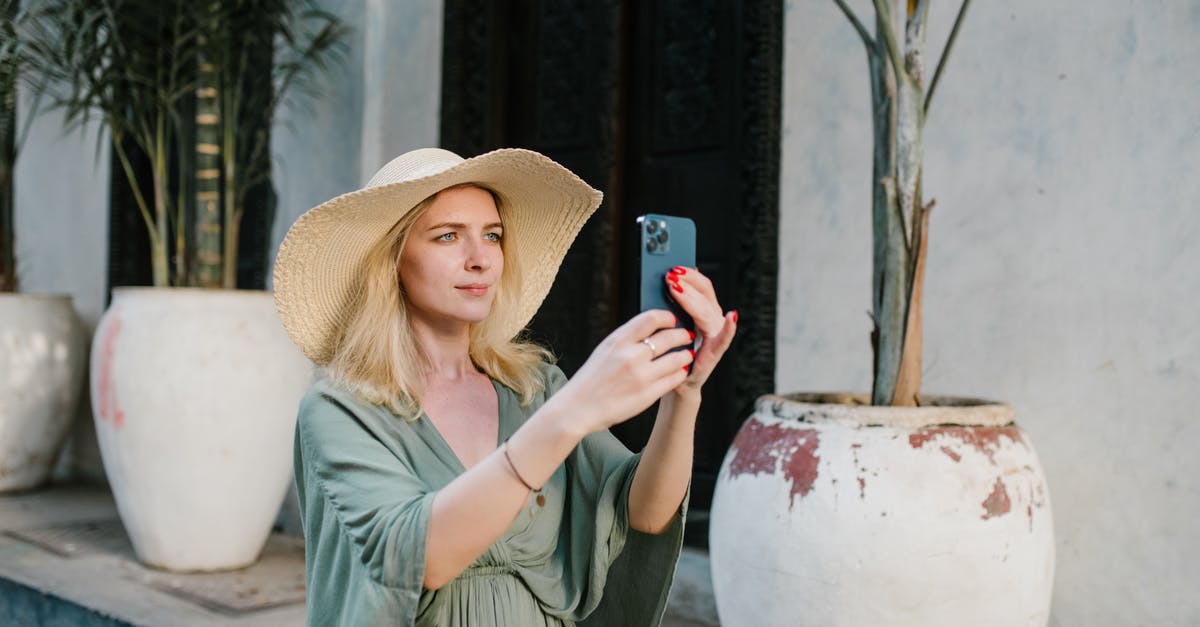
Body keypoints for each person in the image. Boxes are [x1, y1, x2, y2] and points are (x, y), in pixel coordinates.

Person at [273, 147, 737, 626]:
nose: (480, 260)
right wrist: (572, 414)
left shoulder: (532, 388)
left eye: (492, 236)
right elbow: (420, 557)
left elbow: (644, 513)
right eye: (448, 235)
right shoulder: (339, 409)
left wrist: (685, 393)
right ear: (392, 258)